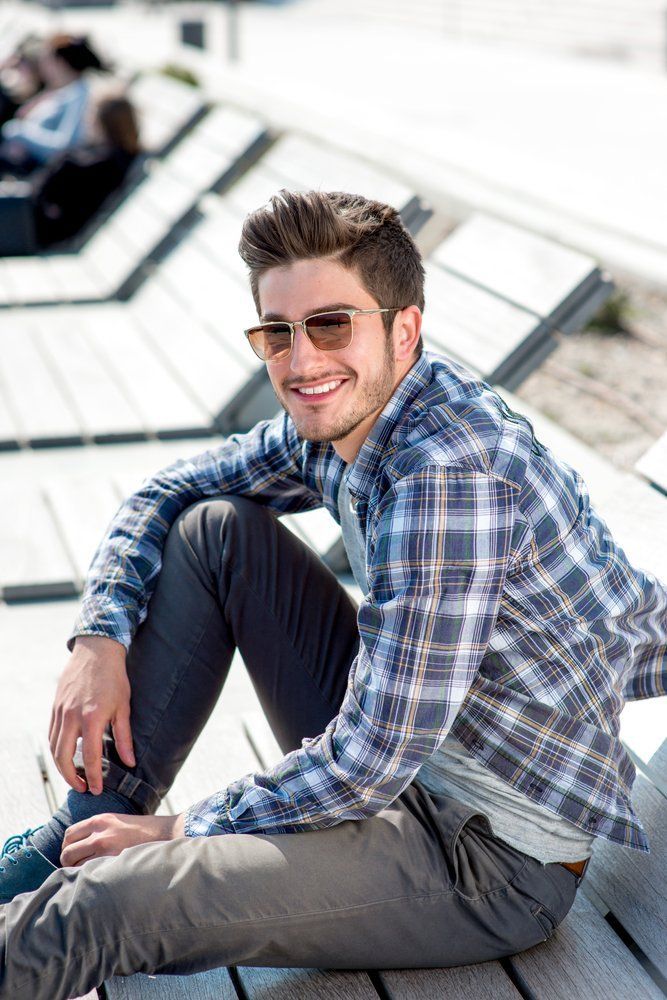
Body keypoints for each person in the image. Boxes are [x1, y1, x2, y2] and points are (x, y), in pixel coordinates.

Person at [0, 190, 665, 999]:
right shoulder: (350, 412)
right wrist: (98, 639)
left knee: (114, 903)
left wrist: (178, 832)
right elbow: (169, 488)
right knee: (217, 530)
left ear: (403, 329)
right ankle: (77, 833)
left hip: (480, 856)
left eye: (330, 324)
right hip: (400, 755)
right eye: (276, 333)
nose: (302, 359)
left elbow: (368, 765)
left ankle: (79, 874)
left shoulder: (448, 478)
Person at [0, 94, 141, 255]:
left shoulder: (99, 163)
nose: (87, 119)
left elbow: (45, 192)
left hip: (40, 230)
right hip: (37, 220)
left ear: (102, 122)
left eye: (91, 114)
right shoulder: (113, 156)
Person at [0, 34, 106, 177]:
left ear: (60, 63)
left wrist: (19, 132)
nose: (42, 68)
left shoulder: (80, 94)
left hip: (37, 175)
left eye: (46, 61)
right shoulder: (67, 92)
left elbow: (66, 146)